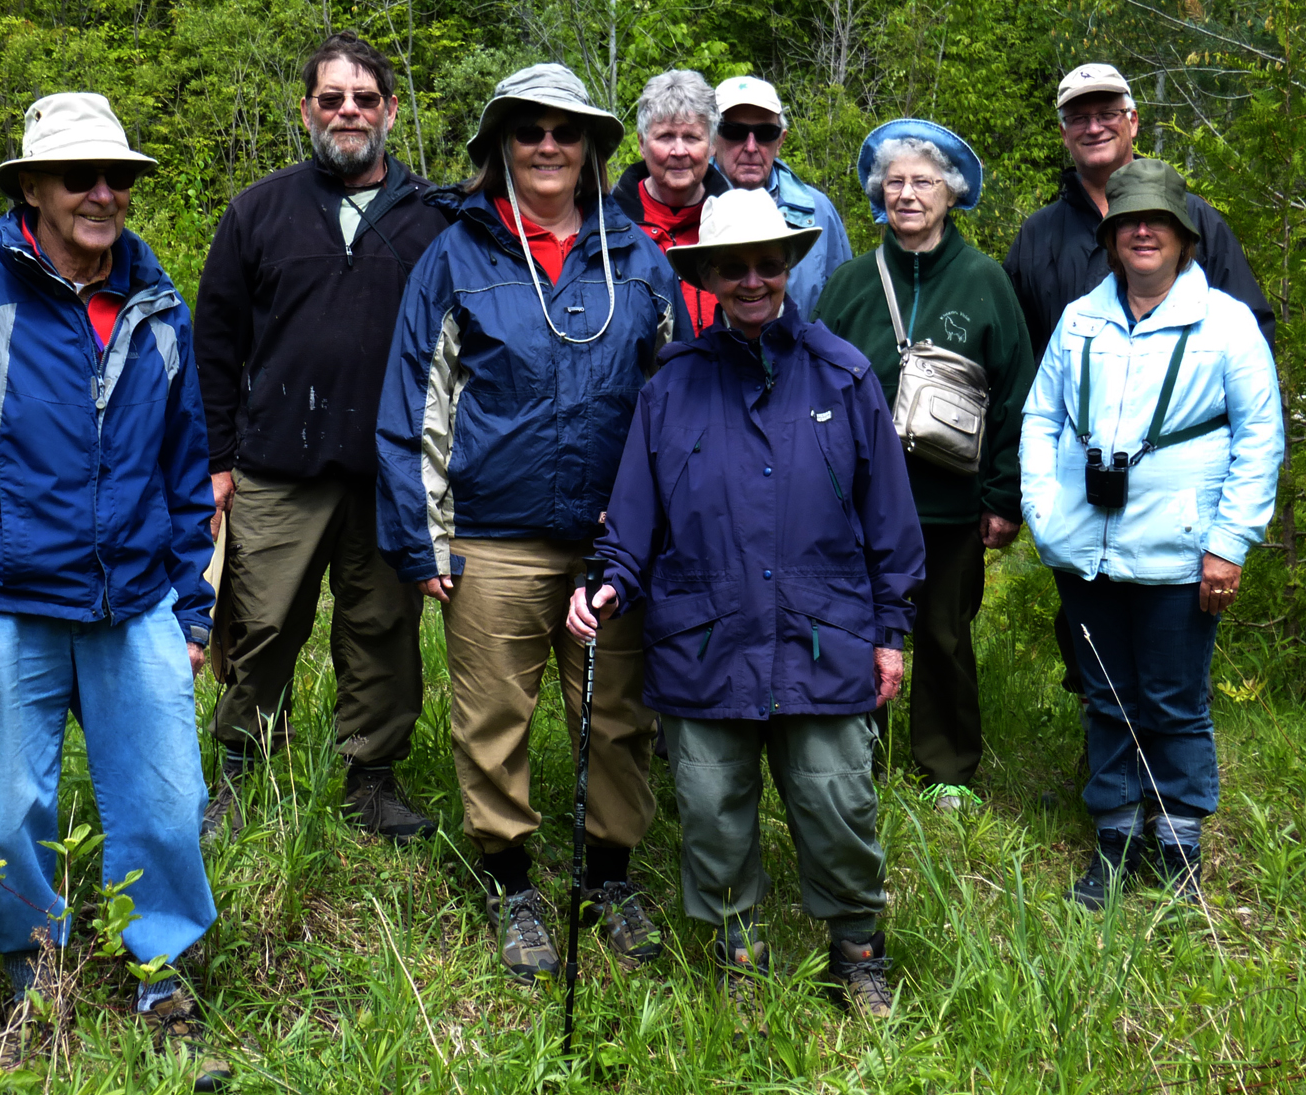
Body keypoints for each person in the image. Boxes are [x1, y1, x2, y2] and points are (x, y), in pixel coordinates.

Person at [0, 93, 226, 1088]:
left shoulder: (160, 301)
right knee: (12, 810)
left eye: (119, 177)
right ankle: (36, 966)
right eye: (81, 177)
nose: (104, 194)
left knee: (166, 803)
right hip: (1, 609)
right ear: (31, 188)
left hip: (139, 608)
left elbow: (182, 465)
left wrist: (191, 607)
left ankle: (159, 966)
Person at [568, 188, 925, 1018]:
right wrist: (610, 581)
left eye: (769, 264)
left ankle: (857, 953)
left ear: (791, 267)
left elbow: (891, 523)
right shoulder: (672, 384)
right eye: (736, 268)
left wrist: (890, 632)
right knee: (712, 808)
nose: (754, 280)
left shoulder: (844, 372)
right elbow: (634, 516)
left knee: (839, 801)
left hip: (824, 635)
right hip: (705, 638)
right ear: (713, 277)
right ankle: (741, 954)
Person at [376, 63, 692, 982]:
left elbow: (676, 403)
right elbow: (414, 408)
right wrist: (423, 538)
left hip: (612, 549)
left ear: (593, 146)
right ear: (500, 147)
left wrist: (665, 534)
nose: (547, 146)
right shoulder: (454, 257)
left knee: (616, 721)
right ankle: (512, 883)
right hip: (491, 536)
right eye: (528, 131)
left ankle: (610, 875)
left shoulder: (637, 255)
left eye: (565, 131)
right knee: (493, 720)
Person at [194, 31, 449, 842]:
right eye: (332, 98)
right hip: (277, 467)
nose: (348, 111)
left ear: (391, 111)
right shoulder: (257, 210)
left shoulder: (433, 220)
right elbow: (216, 343)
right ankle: (242, 769)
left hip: (390, 474)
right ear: (306, 109)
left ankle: (371, 779)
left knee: (381, 630)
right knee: (260, 622)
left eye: (364, 99)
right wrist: (216, 461)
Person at [1019, 158, 1283, 909]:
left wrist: (1229, 542)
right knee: (1106, 695)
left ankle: (1178, 844)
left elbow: (1260, 436)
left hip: (1180, 551)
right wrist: (1044, 508)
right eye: (1128, 221)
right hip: (1089, 551)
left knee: (1172, 699)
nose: (1142, 231)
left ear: (1183, 237)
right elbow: (1042, 418)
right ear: (1109, 238)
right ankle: (1115, 837)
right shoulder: (1081, 320)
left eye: (1157, 221)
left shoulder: (1225, 323)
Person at [1004, 63, 1276, 704]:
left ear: (1133, 120)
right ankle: (1106, 767)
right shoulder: (1040, 234)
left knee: (1169, 665)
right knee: (1092, 654)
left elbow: (1250, 349)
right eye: (1078, 115)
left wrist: (1227, 503)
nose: (1093, 125)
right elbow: (1021, 366)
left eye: (1106, 112)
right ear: (1065, 133)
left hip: (1171, 502)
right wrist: (1035, 493)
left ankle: (1165, 780)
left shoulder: (1195, 220)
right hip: (1080, 489)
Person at [812, 120, 1033, 806]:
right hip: (855, 506)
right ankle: (857, 762)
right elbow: (811, 386)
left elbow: (1016, 393)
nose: (908, 194)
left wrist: (1002, 496)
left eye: (924, 181)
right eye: (896, 182)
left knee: (943, 634)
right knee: (856, 631)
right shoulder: (849, 284)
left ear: (951, 193)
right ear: (880, 194)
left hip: (950, 504)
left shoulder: (985, 280)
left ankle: (947, 771)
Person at [709, 75, 852, 317]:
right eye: (735, 132)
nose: (751, 147)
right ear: (712, 138)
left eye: (765, 133)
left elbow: (845, 309)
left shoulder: (818, 211)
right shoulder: (689, 207)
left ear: (781, 141)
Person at [612, 68, 729, 332]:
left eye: (691, 137)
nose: (679, 151)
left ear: (712, 145)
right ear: (642, 143)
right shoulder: (608, 226)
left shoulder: (736, 222)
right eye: (665, 137)